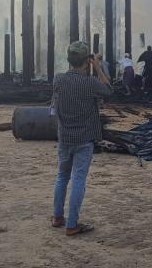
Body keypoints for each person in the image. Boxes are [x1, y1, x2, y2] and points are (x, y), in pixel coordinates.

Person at [51, 41, 112, 236]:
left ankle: (58, 217)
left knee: (61, 177)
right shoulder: (90, 83)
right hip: (84, 138)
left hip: (64, 137)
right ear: (86, 61)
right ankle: (72, 224)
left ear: (69, 60)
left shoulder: (58, 79)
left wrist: (88, 63)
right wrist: (98, 66)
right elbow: (109, 89)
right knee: (78, 180)